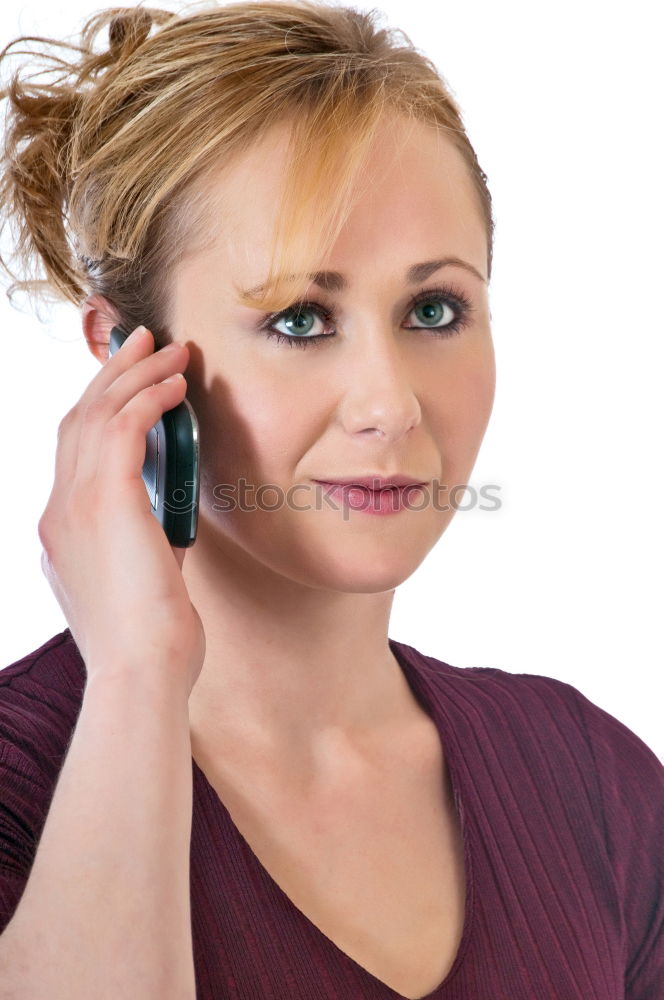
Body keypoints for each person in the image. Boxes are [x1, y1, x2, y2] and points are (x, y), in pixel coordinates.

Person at [0, 3, 661, 998]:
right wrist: (137, 674)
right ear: (123, 356)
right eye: (301, 318)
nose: (390, 403)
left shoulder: (591, 781)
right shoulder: (17, 783)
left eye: (432, 309)